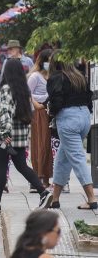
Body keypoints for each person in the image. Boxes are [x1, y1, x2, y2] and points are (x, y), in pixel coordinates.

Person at [0, 59, 52, 211]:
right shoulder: (24, 90)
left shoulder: (6, 89)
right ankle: (43, 191)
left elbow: (5, 113)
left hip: (4, 138)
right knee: (22, 166)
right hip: (19, 138)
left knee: (0, 168)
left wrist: (4, 135)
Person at [47, 51, 97, 210]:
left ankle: (91, 198)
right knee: (62, 159)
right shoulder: (80, 76)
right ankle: (55, 199)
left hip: (68, 119)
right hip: (83, 117)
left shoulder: (56, 78)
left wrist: (51, 111)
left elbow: (56, 101)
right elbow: (89, 98)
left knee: (77, 157)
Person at [28, 49, 53, 188]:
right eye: (48, 60)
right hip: (39, 113)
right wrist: (37, 103)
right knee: (40, 144)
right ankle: (38, 176)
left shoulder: (53, 75)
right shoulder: (35, 76)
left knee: (49, 145)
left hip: (50, 111)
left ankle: (47, 177)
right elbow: (27, 93)